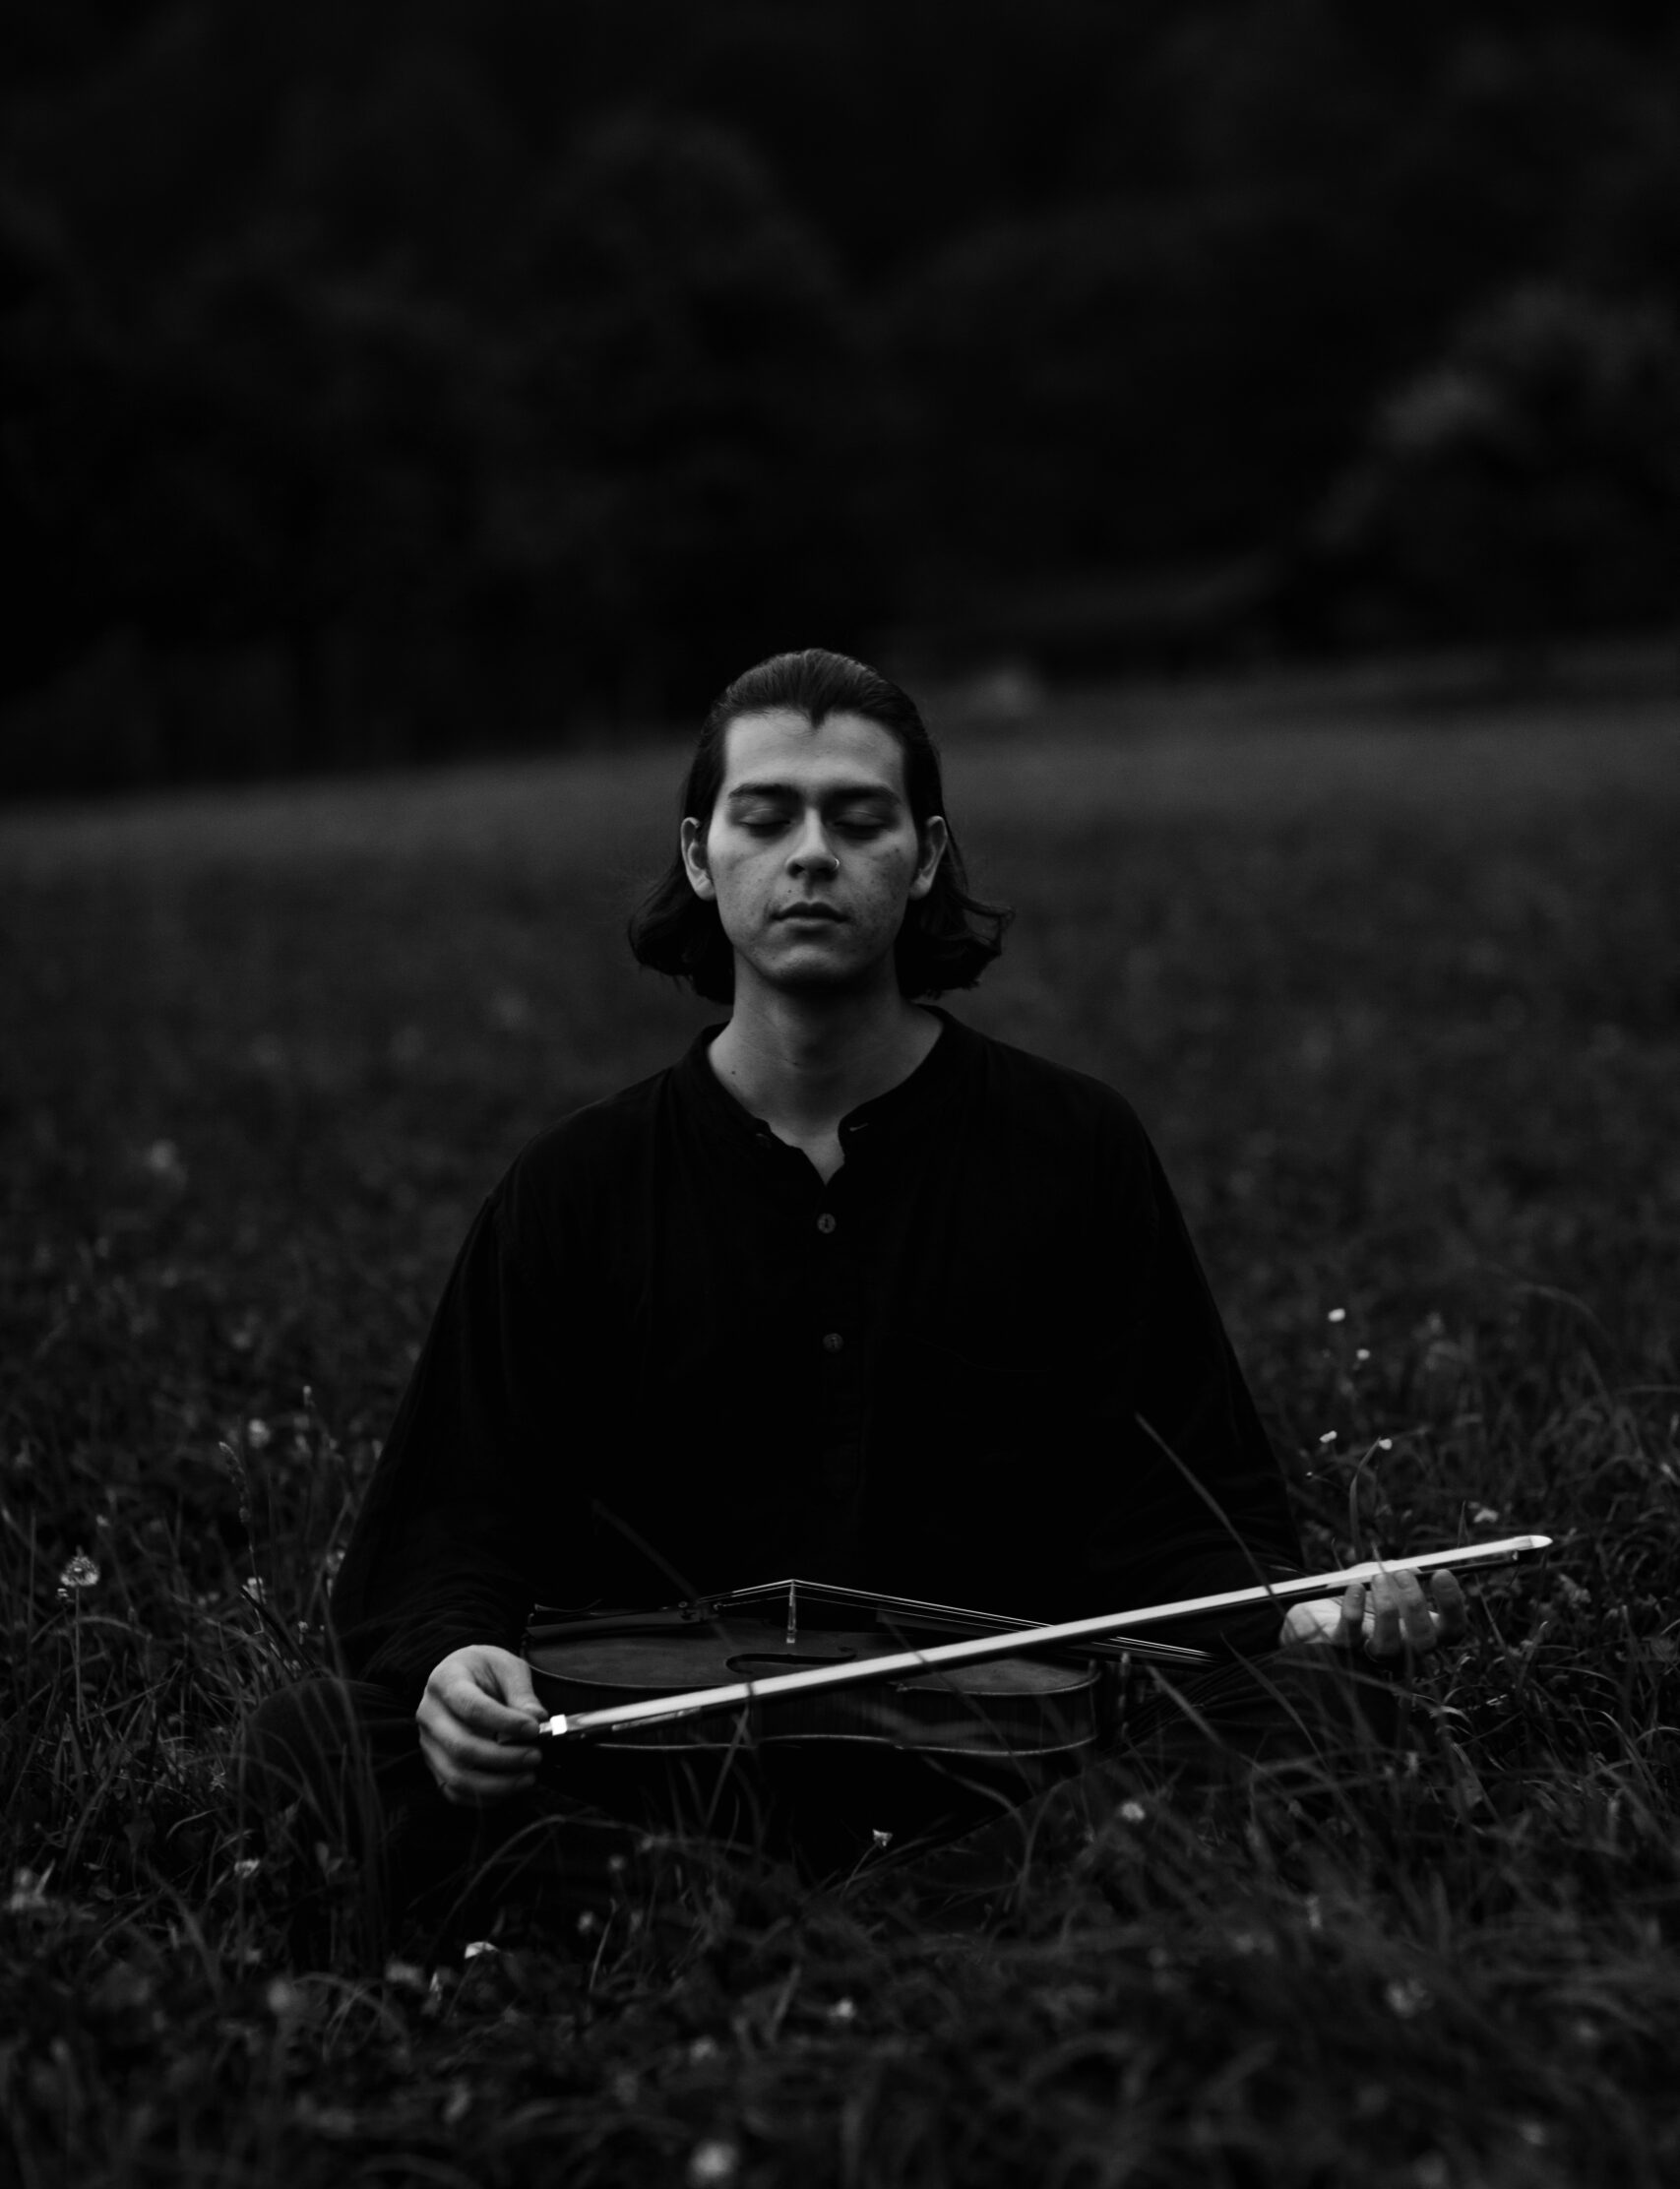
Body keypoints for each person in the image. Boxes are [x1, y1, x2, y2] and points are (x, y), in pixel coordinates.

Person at [241, 650, 1464, 1932]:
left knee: (1324, 1717)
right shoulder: (572, 1187)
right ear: (704, 859)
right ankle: (931, 1935)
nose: (811, 854)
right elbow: (456, 1523)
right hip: (657, 1771)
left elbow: (1182, 1522)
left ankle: (742, 1932)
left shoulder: (1074, 1150)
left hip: (1007, 1768)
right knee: (319, 1740)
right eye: (766, 818)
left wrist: (1311, 1621)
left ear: (925, 855)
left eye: (858, 817)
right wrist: (455, 1661)